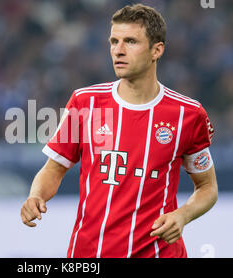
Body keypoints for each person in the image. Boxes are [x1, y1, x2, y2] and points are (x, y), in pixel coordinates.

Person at [20, 4, 218, 258]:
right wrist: (36, 196)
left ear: (156, 50)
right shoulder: (85, 102)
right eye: (114, 41)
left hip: (159, 253)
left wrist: (183, 214)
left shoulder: (188, 114)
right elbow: (54, 167)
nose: (118, 50)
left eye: (130, 41)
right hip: (91, 255)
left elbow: (207, 187)